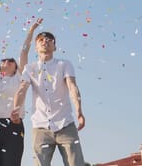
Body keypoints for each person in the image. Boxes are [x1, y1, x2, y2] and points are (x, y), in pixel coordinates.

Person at [11, 30, 86, 166]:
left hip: (65, 124)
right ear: (36, 47)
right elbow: (22, 90)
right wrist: (16, 107)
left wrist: (79, 111)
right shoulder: (30, 68)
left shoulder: (64, 64)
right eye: (41, 40)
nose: (45, 41)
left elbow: (72, 87)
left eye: (49, 40)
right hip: (40, 128)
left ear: (55, 47)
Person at [0, 18, 43, 166]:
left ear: (16, 67)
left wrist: (31, 31)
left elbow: (24, 52)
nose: (5, 62)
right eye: (3, 61)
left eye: (10, 61)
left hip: (14, 124)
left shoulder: (19, 77)